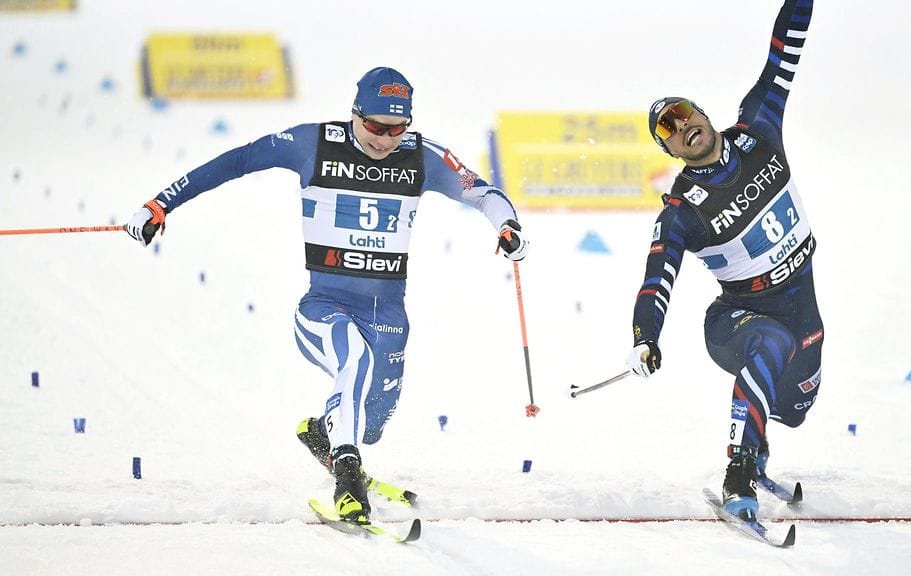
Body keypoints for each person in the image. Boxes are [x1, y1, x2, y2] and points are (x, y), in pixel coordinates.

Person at [125, 67, 529, 524]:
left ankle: (325, 433)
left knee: (374, 417)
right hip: (324, 306)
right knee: (354, 359)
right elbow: (237, 160)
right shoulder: (312, 143)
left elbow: (485, 194)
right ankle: (348, 480)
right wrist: (160, 204)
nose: (385, 140)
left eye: (398, 129)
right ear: (355, 114)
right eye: (375, 127)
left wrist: (507, 226)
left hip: (387, 312)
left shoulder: (422, 157)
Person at [626, 0, 821, 521]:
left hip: (803, 304)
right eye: (668, 130)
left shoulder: (759, 129)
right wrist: (645, 336)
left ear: (705, 115)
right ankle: (739, 469)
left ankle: (757, 448)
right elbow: (656, 281)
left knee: (797, 410)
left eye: (685, 115)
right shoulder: (680, 211)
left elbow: (784, 52)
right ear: (669, 152)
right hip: (737, 319)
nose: (682, 127)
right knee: (769, 344)